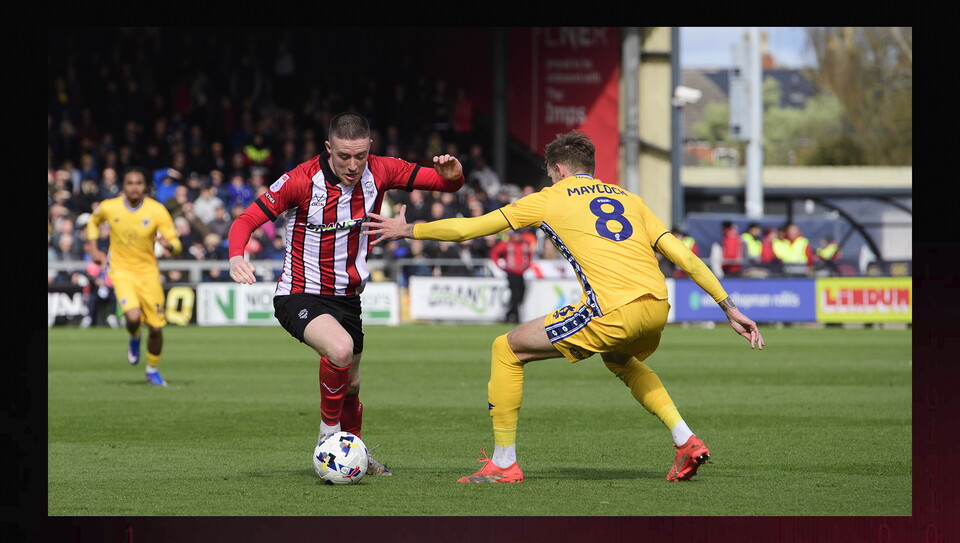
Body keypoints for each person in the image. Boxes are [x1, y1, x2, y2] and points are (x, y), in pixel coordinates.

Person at [364, 130, 764, 483]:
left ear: (558, 169)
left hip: (612, 310)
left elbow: (470, 228)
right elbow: (686, 258)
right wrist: (728, 307)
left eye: (551, 173)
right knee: (620, 361)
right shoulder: (630, 199)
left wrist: (409, 228)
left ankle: (504, 464)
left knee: (506, 349)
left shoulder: (548, 199)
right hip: (658, 305)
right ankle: (686, 440)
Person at [227, 112, 465, 477]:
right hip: (299, 292)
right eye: (343, 157)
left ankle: (357, 454)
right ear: (328, 148)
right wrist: (236, 256)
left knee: (352, 384)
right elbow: (246, 220)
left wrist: (454, 175)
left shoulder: (383, 170)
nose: (352, 166)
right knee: (339, 349)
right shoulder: (300, 180)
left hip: (348, 298)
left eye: (360, 156)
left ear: (370, 148)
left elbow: (447, 185)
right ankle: (328, 439)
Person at [84, 166, 183, 386]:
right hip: (121, 270)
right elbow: (93, 221)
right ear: (123, 186)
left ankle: (152, 369)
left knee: (156, 328)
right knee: (132, 317)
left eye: (139, 183)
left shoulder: (157, 210)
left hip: (148, 272)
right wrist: (93, 248)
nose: (134, 187)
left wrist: (170, 246)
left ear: (145, 186)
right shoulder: (110, 207)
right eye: (130, 183)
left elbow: (175, 242)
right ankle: (135, 336)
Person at [489, 230, 534, 323]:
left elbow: (529, 256)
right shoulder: (507, 244)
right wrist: (498, 267)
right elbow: (494, 252)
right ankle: (515, 317)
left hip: (521, 274)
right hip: (511, 273)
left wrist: (527, 267)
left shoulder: (525, 245)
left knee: (520, 295)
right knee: (515, 295)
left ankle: (509, 314)